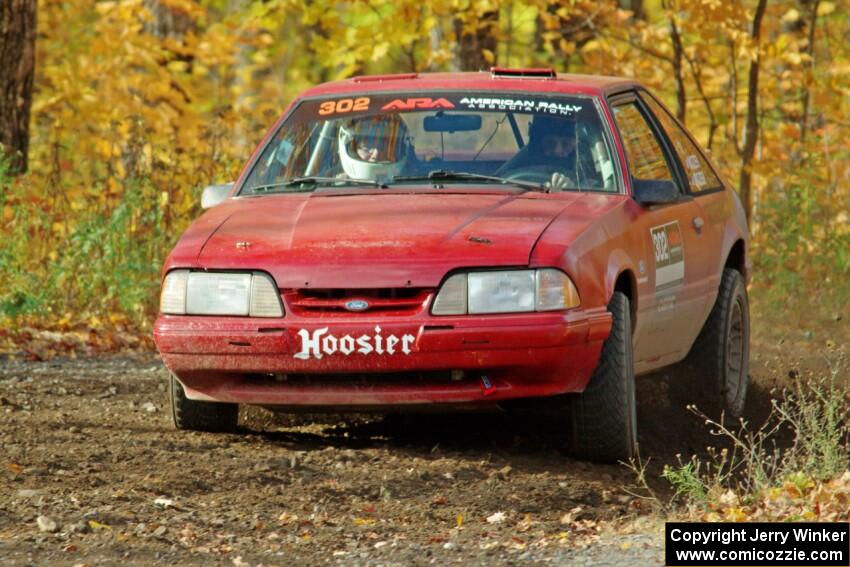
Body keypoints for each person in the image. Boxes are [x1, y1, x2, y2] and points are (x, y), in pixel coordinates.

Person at [497, 115, 578, 191]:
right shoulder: (517, 168)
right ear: (539, 143)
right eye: (550, 143)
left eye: (566, 144)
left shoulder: (586, 177)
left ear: (575, 146)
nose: (557, 150)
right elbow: (496, 182)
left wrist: (573, 190)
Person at [337, 114, 413, 180]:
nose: (376, 155)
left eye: (384, 148)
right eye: (366, 148)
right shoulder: (331, 183)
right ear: (352, 149)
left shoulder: (414, 180)